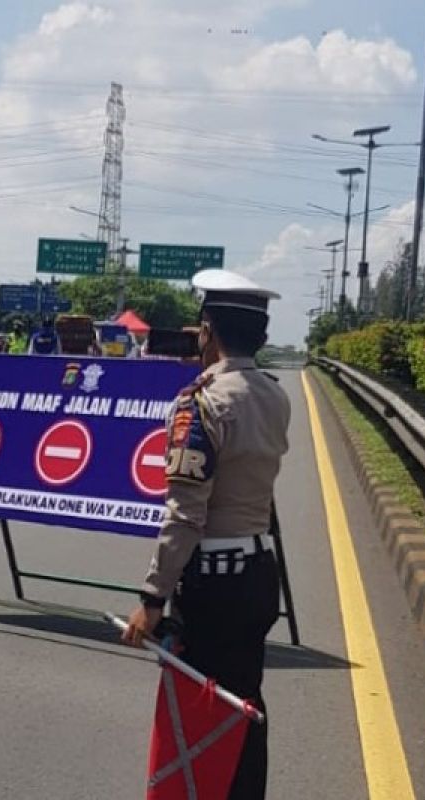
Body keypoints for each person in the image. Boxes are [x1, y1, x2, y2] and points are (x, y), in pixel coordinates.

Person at [121, 269, 290, 800]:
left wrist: (152, 597)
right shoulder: (273, 395)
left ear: (208, 331)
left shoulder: (203, 402)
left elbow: (186, 513)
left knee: (203, 707)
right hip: (259, 575)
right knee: (246, 699)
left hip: (213, 584)